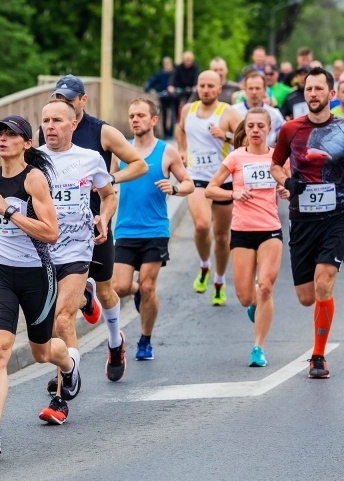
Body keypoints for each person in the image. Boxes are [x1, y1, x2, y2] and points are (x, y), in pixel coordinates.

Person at [0, 115, 80, 454]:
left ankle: (70, 364)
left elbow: (51, 232)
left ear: (26, 143)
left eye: (11, 134)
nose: (2, 138)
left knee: (42, 351)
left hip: (35, 275)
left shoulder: (35, 180)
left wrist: (9, 213)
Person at [41, 75, 147, 382]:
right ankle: (65, 368)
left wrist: (110, 180)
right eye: (58, 97)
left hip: (95, 225)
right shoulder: (48, 131)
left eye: (69, 99)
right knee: (61, 313)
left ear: (83, 101)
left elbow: (138, 164)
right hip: (58, 234)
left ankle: (115, 342)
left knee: (106, 289)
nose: (63, 104)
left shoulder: (102, 131)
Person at [271, 66, 344, 379]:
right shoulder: (290, 129)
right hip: (302, 218)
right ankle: (319, 312)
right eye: (308, 89)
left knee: (324, 280)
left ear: (331, 94)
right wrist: (288, 182)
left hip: (337, 216)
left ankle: (318, 356)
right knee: (306, 296)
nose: (313, 94)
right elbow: (274, 166)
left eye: (318, 89)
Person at [37, 100, 117, 385]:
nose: (49, 126)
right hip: (39, 252)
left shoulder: (90, 157)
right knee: (43, 329)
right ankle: (85, 297)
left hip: (77, 247)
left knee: (62, 319)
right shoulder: (32, 159)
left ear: (73, 124)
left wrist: (103, 219)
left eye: (57, 121)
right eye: (45, 121)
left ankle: (63, 391)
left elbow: (109, 195)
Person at [111, 98, 194, 363]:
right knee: (121, 287)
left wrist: (176, 188)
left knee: (148, 286)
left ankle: (145, 340)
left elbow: (189, 183)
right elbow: (109, 183)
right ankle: (137, 293)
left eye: (140, 115)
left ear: (154, 120)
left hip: (155, 229)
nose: (135, 120)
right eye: (132, 115)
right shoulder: (121, 151)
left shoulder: (166, 152)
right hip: (125, 228)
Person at [206, 108, 288, 367]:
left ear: (268, 129)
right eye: (250, 125)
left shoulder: (278, 158)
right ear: (246, 129)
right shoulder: (235, 157)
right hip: (242, 231)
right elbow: (210, 189)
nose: (255, 130)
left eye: (260, 126)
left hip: (270, 230)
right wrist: (233, 195)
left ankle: (258, 348)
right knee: (245, 297)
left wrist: (287, 191)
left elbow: (289, 184)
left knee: (265, 287)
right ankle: (254, 305)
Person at [176, 70, 242, 305]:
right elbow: (181, 128)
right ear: (198, 86)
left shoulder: (228, 112)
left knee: (223, 237)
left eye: (210, 86)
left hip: (222, 179)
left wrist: (224, 135)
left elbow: (246, 139)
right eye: (202, 85)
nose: (205, 89)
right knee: (202, 225)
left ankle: (219, 280)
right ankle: (205, 265)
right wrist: (182, 150)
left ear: (219, 87)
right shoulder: (188, 110)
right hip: (197, 178)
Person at [232, 71, 285, 147]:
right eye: (250, 88)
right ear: (245, 90)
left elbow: (286, 135)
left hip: (266, 157)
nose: (254, 92)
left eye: (257, 88)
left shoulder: (274, 114)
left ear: (264, 90)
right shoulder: (233, 111)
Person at [145, 56, 176, 138]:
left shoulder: (174, 74)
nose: (167, 67)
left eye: (169, 65)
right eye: (166, 65)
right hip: (163, 97)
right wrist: (148, 86)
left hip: (172, 97)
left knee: (173, 114)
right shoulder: (161, 74)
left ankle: (171, 133)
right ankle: (165, 133)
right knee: (164, 115)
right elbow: (153, 81)